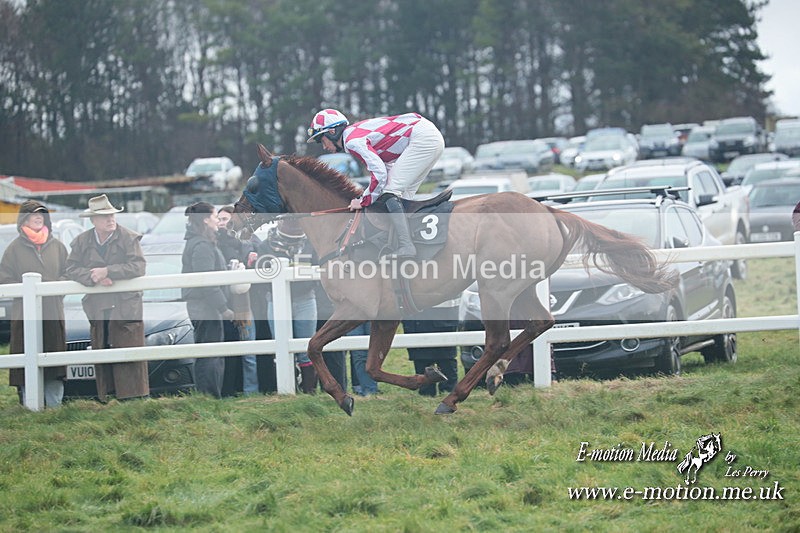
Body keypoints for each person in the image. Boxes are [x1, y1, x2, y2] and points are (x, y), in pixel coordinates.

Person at [307, 108, 444, 257]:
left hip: (422, 137)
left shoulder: (353, 142)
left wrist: (363, 200)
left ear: (332, 132)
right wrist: (369, 196)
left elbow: (379, 174)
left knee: (390, 192)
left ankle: (406, 245)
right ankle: (407, 242)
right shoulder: (354, 135)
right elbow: (386, 169)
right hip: (427, 135)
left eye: (322, 140)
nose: (324, 147)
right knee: (400, 194)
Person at [66, 194, 149, 402]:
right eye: (105, 216)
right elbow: (71, 268)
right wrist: (92, 276)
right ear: (93, 220)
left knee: (129, 351)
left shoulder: (129, 238)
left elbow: (138, 266)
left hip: (126, 306)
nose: (111, 219)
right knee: (101, 349)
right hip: (98, 306)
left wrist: (108, 271)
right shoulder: (81, 242)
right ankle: (107, 398)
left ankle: (134, 399)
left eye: (112, 215)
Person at [0, 201, 69, 407]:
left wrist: (54, 289)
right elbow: (4, 278)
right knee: (25, 358)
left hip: (52, 312)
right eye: (33, 215)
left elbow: (68, 272)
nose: (38, 218)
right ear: (24, 220)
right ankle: (29, 406)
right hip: (25, 314)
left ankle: (55, 409)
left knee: (54, 360)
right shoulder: (13, 249)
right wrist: (26, 289)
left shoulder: (58, 247)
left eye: (41, 215)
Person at [181, 202, 234, 398]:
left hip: (205, 306)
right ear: (205, 219)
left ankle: (210, 396)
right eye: (214, 217)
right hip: (205, 307)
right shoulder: (201, 245)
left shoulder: (200, 242)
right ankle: (209, 396)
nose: (217, 220)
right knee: (210, 355)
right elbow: (207, 281)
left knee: (211, 353)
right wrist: (223, 308)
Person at [260, 219, 318, 393]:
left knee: (307, 347)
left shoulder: (310, 243)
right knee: (280, 347)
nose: (294, 224)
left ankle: (309, 391)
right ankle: (286, 388)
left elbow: (316, 268)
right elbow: (262, 272)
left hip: (305, 299)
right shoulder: (266, 245)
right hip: (275, 301)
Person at [216, 205, 260, 396]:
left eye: (225, 219)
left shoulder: (250, 240)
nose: (221, 223)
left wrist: (255, 258)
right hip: (223, 304)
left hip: (246, 303)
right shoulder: (214, 242)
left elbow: (265, 257)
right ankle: (229, 390)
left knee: (249, 350)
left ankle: (251, 391)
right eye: (219, 219)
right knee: (227, 350)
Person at [402, 302, 459, 397]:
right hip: (417, 315)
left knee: (446, 359)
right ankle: (427, 393)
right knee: (421, 359)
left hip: (442, 312)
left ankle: (449, 394)